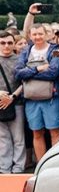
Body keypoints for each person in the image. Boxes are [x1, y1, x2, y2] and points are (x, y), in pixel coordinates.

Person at [15, 23, 59, 162]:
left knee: (55, 132)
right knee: (36, 133)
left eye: (40, 34)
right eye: (34, 34)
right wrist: (39, 69)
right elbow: (18, 73)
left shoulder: (55, 49)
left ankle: (55, 164)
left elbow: (53, 72)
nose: (38, 37)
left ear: (46, 34)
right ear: (30, 35)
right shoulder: (26, 51)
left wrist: (29, 72)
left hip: (51, 98)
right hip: (31, 99)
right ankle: (41, 164)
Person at [0, 31, 25, 173]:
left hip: (17, 103)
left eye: (9, 42)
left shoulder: (19, 60)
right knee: (3, 139)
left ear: (14, 44)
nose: (6, 46)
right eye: (2, 43)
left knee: (18, 138)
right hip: (0, 103)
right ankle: (4, 169)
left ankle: (18, 169)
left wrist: (12, 97)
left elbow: (25, 82)